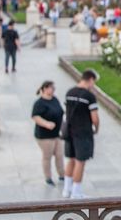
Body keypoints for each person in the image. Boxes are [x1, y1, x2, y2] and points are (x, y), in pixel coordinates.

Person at [62, 69, 100, 199]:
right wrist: (97, 128)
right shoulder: (89, 96)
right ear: (90, 79)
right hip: (83, 132)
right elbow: (94, 118)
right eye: (93, 82)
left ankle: (66, 189)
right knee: (80, 162)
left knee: (71, 160)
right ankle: (76, 192)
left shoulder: (69, 92)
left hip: (69, 131)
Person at [32, 80, 65, 186]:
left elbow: (60, 111)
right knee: (47, 156)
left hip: (56, 134)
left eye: (54, 88)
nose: (53, 90)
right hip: (45, 136)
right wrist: (46, 124)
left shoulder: (54, 99)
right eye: (51, 88)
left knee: (59, 155)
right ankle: (48, 177)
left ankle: (62, 174)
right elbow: (35, 117)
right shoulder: (39, 103)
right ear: (45, 89)